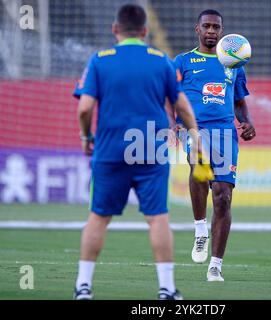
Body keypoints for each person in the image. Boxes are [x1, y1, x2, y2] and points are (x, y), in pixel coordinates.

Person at [72, 4, 211, 300]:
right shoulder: (160, 60)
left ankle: (83, 286)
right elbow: (182, 105)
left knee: (98, 217)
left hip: (110, 149)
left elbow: (84, 107)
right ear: (146, 32)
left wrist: (86, 136)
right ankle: (167, 289)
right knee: (158, 218)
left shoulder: (100, 60)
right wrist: (196, 135)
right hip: (150, 147)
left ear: (115, 30)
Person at [170, 9, 256, 281]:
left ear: (221, 31)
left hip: (224, 133)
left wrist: (247, 122)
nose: (211, 31)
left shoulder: (233, 63)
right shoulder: (183, 61)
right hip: (195, 129)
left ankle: (216, 264)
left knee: (223, 195)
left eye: (215, 27)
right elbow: (170, 95)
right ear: (197, 29)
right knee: (198, 167)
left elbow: (239, 100)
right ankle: (199, 229)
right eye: (206, 26)